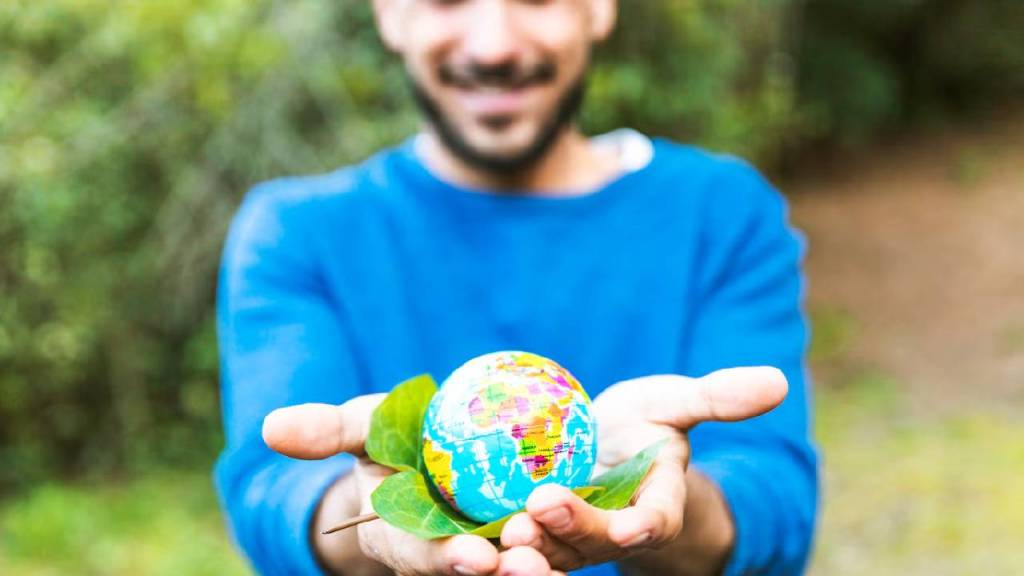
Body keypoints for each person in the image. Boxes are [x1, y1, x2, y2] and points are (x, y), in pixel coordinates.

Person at [214, 1, 819, 574]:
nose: (494, 45)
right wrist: (369, 509)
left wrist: (652, 501)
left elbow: (773, 506)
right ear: (390, 13)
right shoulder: (298, 231)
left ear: (600, 7)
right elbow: (273, 498)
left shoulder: (723, 214)